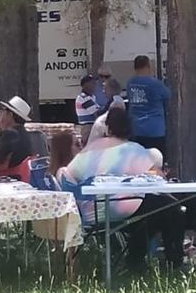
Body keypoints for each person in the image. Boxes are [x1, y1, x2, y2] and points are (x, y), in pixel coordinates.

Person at [64, 108, 184, 270]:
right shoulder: (132, 149)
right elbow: (159, 178)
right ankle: (173, 263)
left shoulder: (88, 151)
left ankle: (134, 260)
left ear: (107, 128)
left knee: (151, 215)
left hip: (89, 213)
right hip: (122, 208)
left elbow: (68, 176)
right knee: (171, 207)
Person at [127, 55, 170, 156]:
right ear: (148, 66)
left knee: (139, 162)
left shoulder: (130, 83)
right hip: (155, 129)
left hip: (136, 129)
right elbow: (168, 94)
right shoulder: (156, 84)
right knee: (156, 162)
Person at [85, 78, 127, 147]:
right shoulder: (113, 100)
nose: (103, 91)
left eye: (105, 89)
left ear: (111, 89)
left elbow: (114, 124)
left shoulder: (116, 102)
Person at [75, 75, 99, 142]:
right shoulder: (84, 98)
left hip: (91, 126)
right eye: (93, 83)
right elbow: (96, 113)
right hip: (87, 127)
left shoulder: (92, 97)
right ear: (85, 85)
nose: (95, 84)